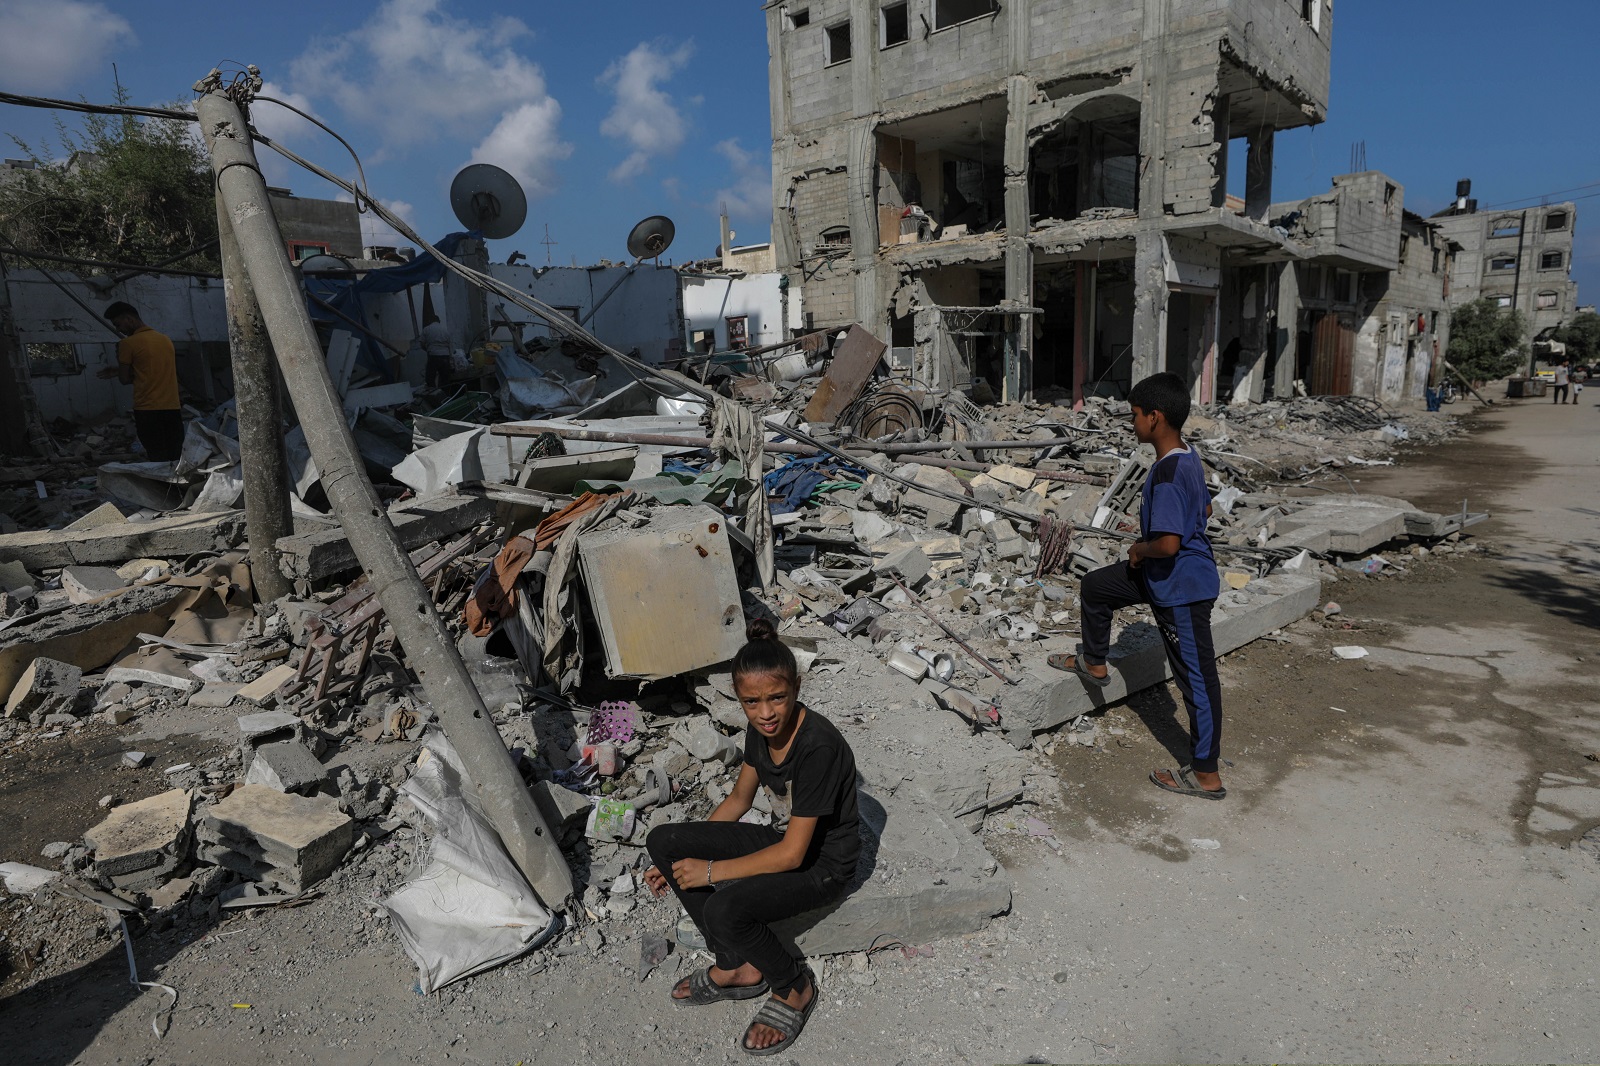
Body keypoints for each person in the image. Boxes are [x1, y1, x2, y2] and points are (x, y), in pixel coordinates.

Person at [645, 618, 859, 1055]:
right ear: (739, 699)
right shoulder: (759, 731)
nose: (765, 713)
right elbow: (739, 800)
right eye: (752, 701)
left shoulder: (818, 747)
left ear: (797, 687)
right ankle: (736, 967)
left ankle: (793, 986)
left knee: (725, 907)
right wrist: (679, 859)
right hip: (786, 842)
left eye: (777, 698)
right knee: (664, 841)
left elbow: (795, 854)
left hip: (822, 865)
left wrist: (711, 870)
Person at [1046, 371, 1226, 800]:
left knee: (1198, 681)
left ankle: (1206, 775)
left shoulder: (1166, 475)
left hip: (1182, 587)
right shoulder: (1186, 456)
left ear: (1155, 418)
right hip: (1165, 577)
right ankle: (1095, 663)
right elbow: (1205, 507)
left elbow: (1167, 544)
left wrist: (1141, 549)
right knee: (1096, 586)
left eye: (1135, 415)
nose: (1132, 423)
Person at [97, 302, 182, 461]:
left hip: (148, 410)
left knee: (157, 457)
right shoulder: (165, 340)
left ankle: (162, 486)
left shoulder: (127, 344)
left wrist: (119, 370)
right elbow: (152, 371)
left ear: (129, 319)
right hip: (172, 408)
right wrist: (117, 370)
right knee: (175, 456)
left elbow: (125, 379)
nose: (118, 329)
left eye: (118, 324)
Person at [419, 315, 452, 390]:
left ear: (430, 321)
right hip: (445, 356)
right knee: (445, 379)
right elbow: (449, 345)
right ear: (439, 321)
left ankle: (433, 395)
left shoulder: (427, 329)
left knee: (430, 378)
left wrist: (428, 349)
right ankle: (445, 397)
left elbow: (422, 344)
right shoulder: (445, 330)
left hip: (433, 355)